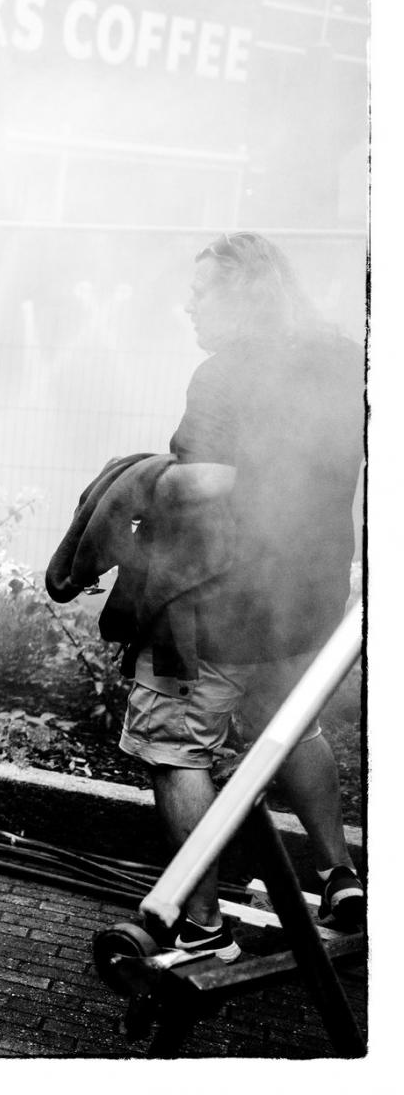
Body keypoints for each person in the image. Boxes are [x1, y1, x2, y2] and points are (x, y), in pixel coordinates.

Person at [119, 232, 365, 959]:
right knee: (291, 727)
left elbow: (208, 482)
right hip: (308, 598)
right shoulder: (344, 359)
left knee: (176, 749)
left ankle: (200, 929)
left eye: (202, 293)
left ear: (244, 294)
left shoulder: (223, 375)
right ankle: (341, 880)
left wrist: (137, 480)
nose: (188, 306)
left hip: (222, 604)